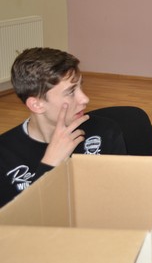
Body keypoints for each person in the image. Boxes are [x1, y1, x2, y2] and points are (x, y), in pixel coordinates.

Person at [0, 47, 127, 207]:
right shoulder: (4, 155)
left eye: (80, 86)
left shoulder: (105, 131)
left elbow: (122, 197)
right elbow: (17, 219)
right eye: (71, 92)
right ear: (37, 104)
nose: (85, 99)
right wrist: (50, 164)